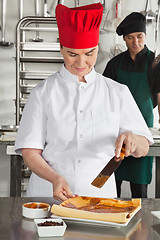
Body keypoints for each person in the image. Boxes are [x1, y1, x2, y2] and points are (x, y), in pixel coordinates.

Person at [15, 4, 153, 202]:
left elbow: (143, 148)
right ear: (61, 49)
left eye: (89, 54)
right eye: (73, 54)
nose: (81, 63)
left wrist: (133, 139)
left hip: (99, 198)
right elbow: (29, 151)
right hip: (48, 196)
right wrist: (55, 178)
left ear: (97, 48)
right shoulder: (42, 92)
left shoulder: (117, 92)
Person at [103, 12, 160, 198]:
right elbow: (103, 99)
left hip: (143, 132)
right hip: (117, 131)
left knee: (140, 188)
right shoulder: (114, 64)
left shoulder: (155, 63)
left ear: (145, 36)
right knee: (113, 184)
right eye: (130, 37)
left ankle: (141, 226)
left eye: (139, 36)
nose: (136, 42)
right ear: (124, 39)